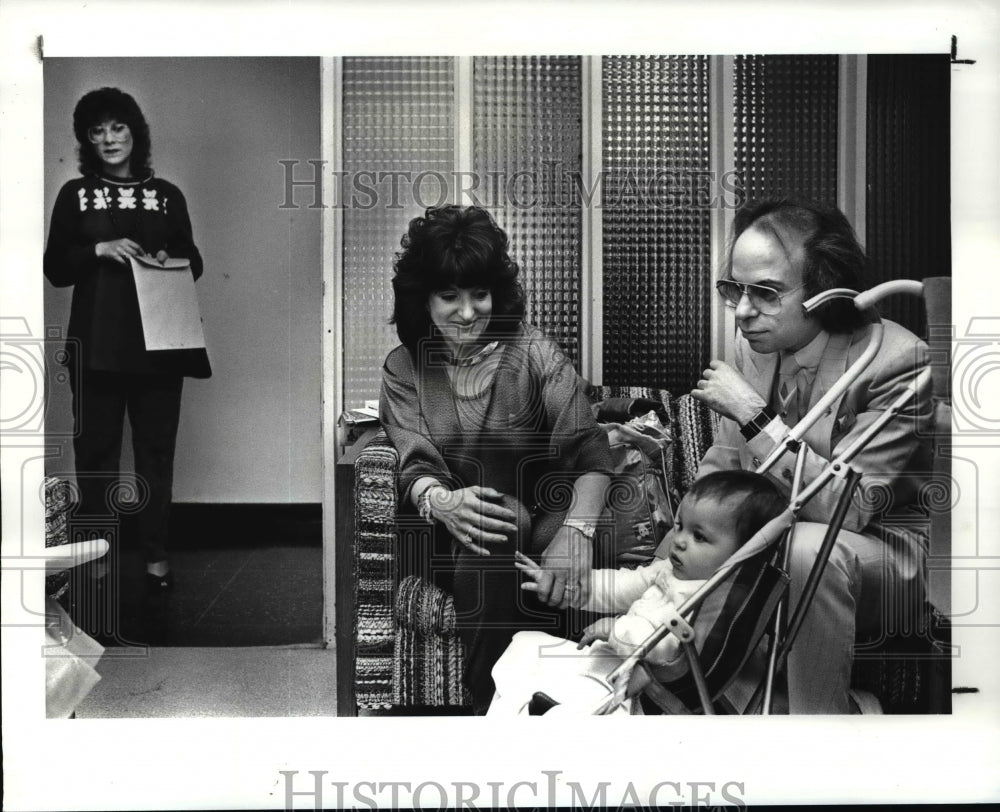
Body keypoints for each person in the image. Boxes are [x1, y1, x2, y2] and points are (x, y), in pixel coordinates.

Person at [691, 198, 932, 714]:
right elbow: (726, 468)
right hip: (786, 534)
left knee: (801, 548)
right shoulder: (753, 349)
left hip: (880, 554)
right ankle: (747, 710)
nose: (743, 311)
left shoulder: (899, 360)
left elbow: (854, 507)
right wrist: (676, 540)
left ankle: (817, 735)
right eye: (735, 289)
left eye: (767, 292)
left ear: (827, 292)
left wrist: (756, 418)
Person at [379, 205, 612, 713]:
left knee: (547, 527)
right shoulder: (404, 368)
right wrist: (441, 502)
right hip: (451, 534)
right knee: (503, 520)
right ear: (424, 300)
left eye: (479, 294)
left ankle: (572, 709)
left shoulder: (533, 352)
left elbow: (591, 450)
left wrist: (577, 535)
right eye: (449, 296)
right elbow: (414, 465)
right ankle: (489, 710)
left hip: (545, 518)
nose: (467, 313)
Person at [44, 88, 210, 627]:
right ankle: (94, 559)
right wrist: (98, 250)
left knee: (156, 455)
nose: (108, 139)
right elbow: (55, 266)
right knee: (95, 455)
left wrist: (168, 258)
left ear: (135, 132)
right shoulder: (76, 195)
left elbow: (196, 261)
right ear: (86, 140)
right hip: (95, 347)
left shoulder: (166, 195)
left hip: (160, 345)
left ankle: (157, 556)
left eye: (117, 128)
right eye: (97, 131)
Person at [491, 471, 787, 715]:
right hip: (613, 660)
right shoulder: (667, 571)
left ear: (742, 556)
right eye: (680, 526)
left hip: (642, 691)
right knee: (525, 647)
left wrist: (615, 628)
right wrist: (573, 588)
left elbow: (670, 653)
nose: (679, 541)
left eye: (699, 536)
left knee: (562, 706)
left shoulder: (711, 600)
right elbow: (622, 587)